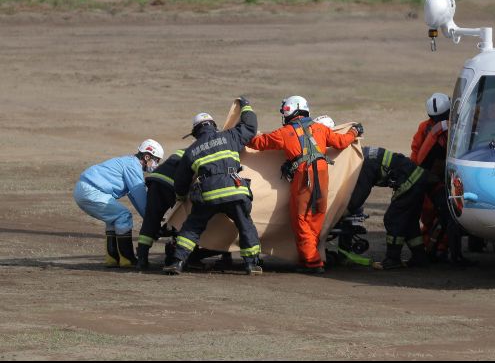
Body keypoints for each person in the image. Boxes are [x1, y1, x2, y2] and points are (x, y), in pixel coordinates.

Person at [248, 96, 362, 274]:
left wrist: (241, 134)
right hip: (322, 175)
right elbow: (342, 142)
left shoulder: (284, 133)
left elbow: (258, 143)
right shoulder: (320, 129)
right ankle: (310, 256)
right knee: (316, 216)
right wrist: (354, 132)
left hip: (304, 176)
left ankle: (312, 263)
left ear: (290, 110)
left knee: (301, 220)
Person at [163, 98, 262, 276]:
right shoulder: (230, 136)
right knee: (245, 225)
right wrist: (246, 106)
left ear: (196, 132)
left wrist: (180, 196)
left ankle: (177, 262)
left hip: (207, 193)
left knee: (192, 227)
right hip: (234, 189)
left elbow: (181, 180)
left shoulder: (192, 150)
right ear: (213, 125)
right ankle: (251, 264)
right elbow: (250, 127)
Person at [73, 139, 164, 268]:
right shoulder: (133, 166)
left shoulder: (129, 162)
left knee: (113, 220)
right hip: (91, 191)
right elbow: (140, 195)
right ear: (147, 156)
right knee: (123, 215)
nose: (156, 164)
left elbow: (134, 196)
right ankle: (127, 259)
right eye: (156, 160)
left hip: (83, 189)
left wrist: (148, 217)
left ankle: (112, 259)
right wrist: (153, 220)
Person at [410, 93, 475, 266]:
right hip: (434, 181)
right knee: (440, 217)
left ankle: (433, 250)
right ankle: (435, 251)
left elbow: (416, 154)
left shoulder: (426, 128)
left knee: (432, 218)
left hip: (426, 179)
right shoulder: (447, 129)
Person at [347, 147, 430, 269]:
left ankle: (393, 259)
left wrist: (344, 211)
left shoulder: (364, 165)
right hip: (417, 178)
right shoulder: (364, 153)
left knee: (393, 220)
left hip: (410, 181)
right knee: (410, 222)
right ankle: (420, 257)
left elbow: (359, 197)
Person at [135, 148, 186, 270]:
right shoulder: (207, 152)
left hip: (155, 180)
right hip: (172, 184)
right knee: (181, 219)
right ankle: (174, 258)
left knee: (150, 219)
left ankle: (141, 259)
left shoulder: (186, 150)